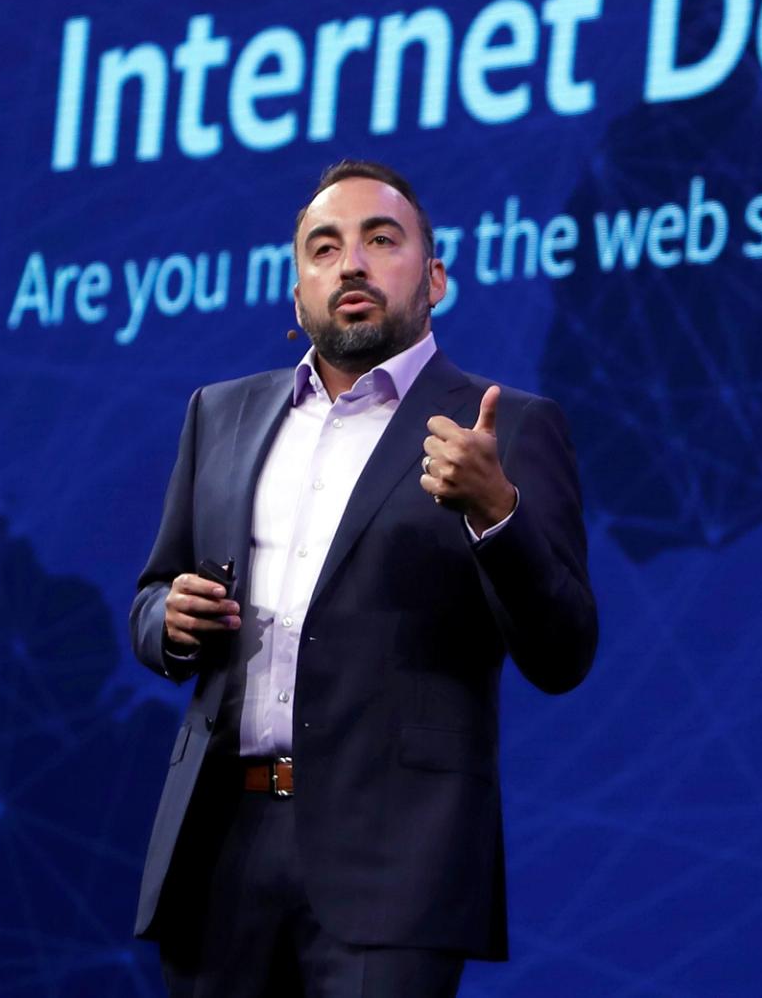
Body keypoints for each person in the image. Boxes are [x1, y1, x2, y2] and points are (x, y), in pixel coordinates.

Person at [129, 159, 597, 997]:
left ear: (435, 277)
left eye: (382, 240)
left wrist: (498, 512)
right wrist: (168, 619)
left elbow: (564, 650)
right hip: (218, 853)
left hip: (394, 865)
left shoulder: (509, 425)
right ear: (297, 289)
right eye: (324, 246)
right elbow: (151, 594)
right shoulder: (220, 413)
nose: (351, 263)